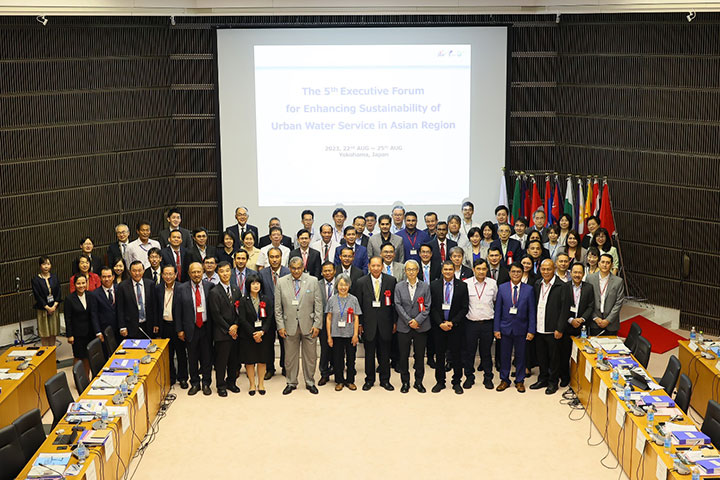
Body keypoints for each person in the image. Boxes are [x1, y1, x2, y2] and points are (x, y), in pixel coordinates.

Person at [275, 256, 323, 395]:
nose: (296, 271)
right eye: (293, 268)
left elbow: (318, 305)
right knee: (290, 357)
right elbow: (278, 308)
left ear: (303, 268)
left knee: (311, 357)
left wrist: (317, 325)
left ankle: (310, 381)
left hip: (309, 325)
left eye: (299, 268)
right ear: (289, 268)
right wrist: (280, 326)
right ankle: (291, 382)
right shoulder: (281, 282)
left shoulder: (313, 281)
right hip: (288, 325)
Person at [355, 256, 397, 391]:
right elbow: (359, 305)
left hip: (386, 323)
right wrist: (360, 324)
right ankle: (369, 380)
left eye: (378, 265)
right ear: (369, 266)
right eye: (373, 266)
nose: (376, 268)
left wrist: (395, 322)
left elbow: (394, 304)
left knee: (385, 354)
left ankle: (385, 380)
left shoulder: (391, 281)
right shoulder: (361, 282)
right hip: (368, 324)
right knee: (369, 355)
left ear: (382, 266)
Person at [494, 262, 536, 393]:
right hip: (505, 328)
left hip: (522, 328)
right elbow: (498, 310)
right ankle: (504, 379)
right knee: (504, 355)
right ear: (509, 273)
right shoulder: (502, 288)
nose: (516, 274)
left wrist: (531, 330)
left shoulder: (529, 289)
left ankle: (519, 380)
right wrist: (496, 329)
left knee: (521, 356)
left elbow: (532, 312)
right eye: (513, 272)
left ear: (522, 273)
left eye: (518, 272)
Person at [430, 261, 469, 394]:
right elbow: (432, 307)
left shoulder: (462, 286)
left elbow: (464, 308)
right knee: (439, 355)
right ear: (442, 271)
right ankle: (440, 381)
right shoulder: (434, 285)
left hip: (455, 327)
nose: (447, 272)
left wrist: (452, 322)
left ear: (454, 270)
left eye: (450, 269)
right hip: (439, 326)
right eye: (445, 269)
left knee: (456, 355)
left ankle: (457, 382)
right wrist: (440, 322)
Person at [176, 262, 213, 395]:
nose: (196, 274)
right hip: (190, 328)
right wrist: (179, 329)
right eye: (193, 272)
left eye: (198, 272)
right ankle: (195, 383)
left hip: (206, 327)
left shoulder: (210, 286)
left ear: (203, 272)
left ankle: (207, 383)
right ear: (189, 273)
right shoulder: (181, 288)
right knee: (192, 357)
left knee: (207, 357)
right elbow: (177, 310)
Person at [394, 260, 431, 394]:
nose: (411, 272)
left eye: (414, 269)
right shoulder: (398, 286)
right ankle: (405, 382)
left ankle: (418, 382)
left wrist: (417, 320)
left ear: (418, 271)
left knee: (420, 356)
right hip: (404, 327)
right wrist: (409, 321)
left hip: (421, 327)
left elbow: (427, 306)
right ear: (405, 271)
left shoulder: (425, 286)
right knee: (403, 356)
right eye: (408, 269)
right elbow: (397, 305)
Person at [530, 259, 564, 395]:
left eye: (548, 269)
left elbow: (564, 310)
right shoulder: (537, 284)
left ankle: (553, 382)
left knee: (554, 358)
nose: (545, 272)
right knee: (541, 356)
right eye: (543, 269)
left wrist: (560, 328)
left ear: (554, 269)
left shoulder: (561, 286)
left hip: (553, 329)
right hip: (539, 327)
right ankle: (542, 378)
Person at [558, 262, 595, 386]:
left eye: (580, 272)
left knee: (581, 354)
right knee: (564, 353)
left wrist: (581, 319)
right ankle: (564, 377)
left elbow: (591, 306)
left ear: (583, 274)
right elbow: (561, 307)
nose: (577, 275)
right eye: (575, 272)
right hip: (567, 325)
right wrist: (570, 320)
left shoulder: (589, 288)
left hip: (582, 327)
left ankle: (578, 377)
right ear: (571, 273)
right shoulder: (564, 287)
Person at [208, 261, 241, 397]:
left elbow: (241, 310)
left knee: (234, 360)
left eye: (227, 271)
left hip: (236, 331)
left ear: (231, 272)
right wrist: (229, 329)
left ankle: (231, 382)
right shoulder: (214, 292)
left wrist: (236, 325)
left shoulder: (235, 289)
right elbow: (216, 315)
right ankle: (221, 385)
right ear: (218, 273)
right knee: (221, 361)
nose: (225, 274)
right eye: (222, 271)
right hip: (222, 333)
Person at [464, 259, 498, 390]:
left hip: (487, 324)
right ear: (473, 269)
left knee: (486, 353)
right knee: (469, 352)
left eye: (484, 269)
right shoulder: (466, 284)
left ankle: (488, 377)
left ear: (487, 270)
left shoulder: (492, 284)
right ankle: (469, 377)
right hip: (470, 324)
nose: (481, 271)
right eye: (478, 269)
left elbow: (495, 301)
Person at [154, 264, 188, 389]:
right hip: (164, 325)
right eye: (165, 274)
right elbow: (155, 308)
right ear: (162, 275)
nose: (168, 277)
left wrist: (182, 328)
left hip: (178, 326)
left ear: (175, 275)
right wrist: (156, 324)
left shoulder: (182, 288)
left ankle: (183, 378)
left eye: (170, 274)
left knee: (181, 354)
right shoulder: (157, 288)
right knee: (168, 354)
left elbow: (185, 310)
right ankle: (171, 377)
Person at [325, 274, 361, 391]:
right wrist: (329, 336)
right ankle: (339, 380)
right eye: (341, 284)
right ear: (337, 286)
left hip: (350, 334)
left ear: (349, 286)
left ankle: (350, 380)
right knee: (337, 359)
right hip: (336, 334)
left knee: (351, 359)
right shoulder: (332, 299)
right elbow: (329, 318)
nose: (343, 287)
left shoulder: (354, 299)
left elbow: (356, 318)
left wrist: (356, 335)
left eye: (345, 284)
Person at [239, 274, 273, 395]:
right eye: (253, 283)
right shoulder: (243, 300)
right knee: (250, 361)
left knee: (262, 360)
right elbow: (242, 319)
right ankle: (252, 384)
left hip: (263, 335)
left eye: (257, 283)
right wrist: (254, 333)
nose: (255, 285)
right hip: (248, 336)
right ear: (248, 285)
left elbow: (269, 318)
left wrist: (262, 332)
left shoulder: (266, 299)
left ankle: (261, 384)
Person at [65, 275, 100, 378]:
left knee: (88, 356)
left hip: (90, 332)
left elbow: (94, 313)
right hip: (77, 334)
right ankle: (78, 379)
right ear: (74, 285)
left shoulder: (91, 295)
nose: (81, 285)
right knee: (79, 357)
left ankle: (86, 378)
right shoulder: (69, 299)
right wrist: (69, 335)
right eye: (78, 283)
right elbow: (68, 318)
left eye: (83, 283)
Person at [587, 254, 625, 335]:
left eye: (608, 263)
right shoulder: (590, 278)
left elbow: (619, 302)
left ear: (611, 265)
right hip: (594, 322)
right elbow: (587, 300)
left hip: (611, 324)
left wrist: (608, 320)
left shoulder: (618, 281)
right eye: (603, 262)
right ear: (598, 263)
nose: (605, 265)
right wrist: (595, 317)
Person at [117, 260, 156, 339]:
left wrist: (156, 323)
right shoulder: (122, 286)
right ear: (129, 271)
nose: (137, 273)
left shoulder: (150, 284)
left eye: (139, 270)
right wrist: (122, 326)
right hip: (131, 326)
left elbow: (154, 305)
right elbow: (120, 308)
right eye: (134, 271)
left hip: (148, 324)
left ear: (144, 270)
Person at [31, 256, 62, 347]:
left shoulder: (55, 277)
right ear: (40, 266)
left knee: (53, 332)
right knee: (45, 334)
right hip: (43, 309)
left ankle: (52, 354)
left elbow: (59, 292)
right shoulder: (35, 279)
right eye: (44, 264)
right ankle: (45, 356)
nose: (46, 266)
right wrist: (47, 307)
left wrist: (54, 306)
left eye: (48, 264)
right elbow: (37, 295)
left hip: (54, 308)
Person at [89, 267, 118, 356]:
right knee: (106, 355)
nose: (107, 279)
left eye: (109, 276)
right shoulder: (95, 294)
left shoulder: (120, 288)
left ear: (113, 277)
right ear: (100, 278)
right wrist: (98, 332)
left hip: (119, 328)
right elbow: (94, 314)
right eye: (104, 277)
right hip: (104, 330)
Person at [317, 262, 336, 386]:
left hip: (338, 320)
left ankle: (336, 370)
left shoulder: (341, 282)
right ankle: (324, 373)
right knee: (325, 348)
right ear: (322, 272)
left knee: (337, 348)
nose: (328, 273)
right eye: (325, 271)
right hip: (323, 321)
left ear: (334, 271)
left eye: (330, 270)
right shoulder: (316, 284)